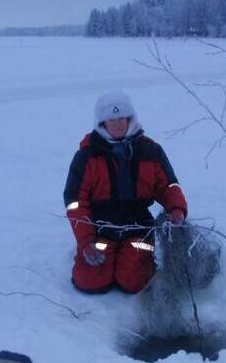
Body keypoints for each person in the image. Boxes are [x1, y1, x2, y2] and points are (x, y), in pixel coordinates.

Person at [64, 91, 188, 294]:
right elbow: (75, 202)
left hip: (138, 227)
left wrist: (177, 208)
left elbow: (169, 186)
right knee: (90, 281)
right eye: (111, 120)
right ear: (102, 123)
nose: (118, 124)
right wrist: (86, 242)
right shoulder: (86, 156)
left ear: (130, 118)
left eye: (122, 118)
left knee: (134, 281)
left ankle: (135, 258)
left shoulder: (151, 151)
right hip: (101, 229)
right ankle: (91, 256)